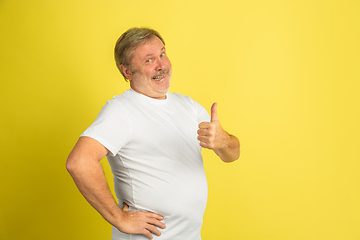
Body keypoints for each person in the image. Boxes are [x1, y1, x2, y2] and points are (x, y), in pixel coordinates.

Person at [66, 27, 240, 240]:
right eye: (149, 60)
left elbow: (232, 155)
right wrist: (119, 218)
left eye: (162, 54)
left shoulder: (189, 106)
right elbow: (79, 162)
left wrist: (224, 141)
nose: (162, 66)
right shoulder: (122, 110)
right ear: (127, 72)